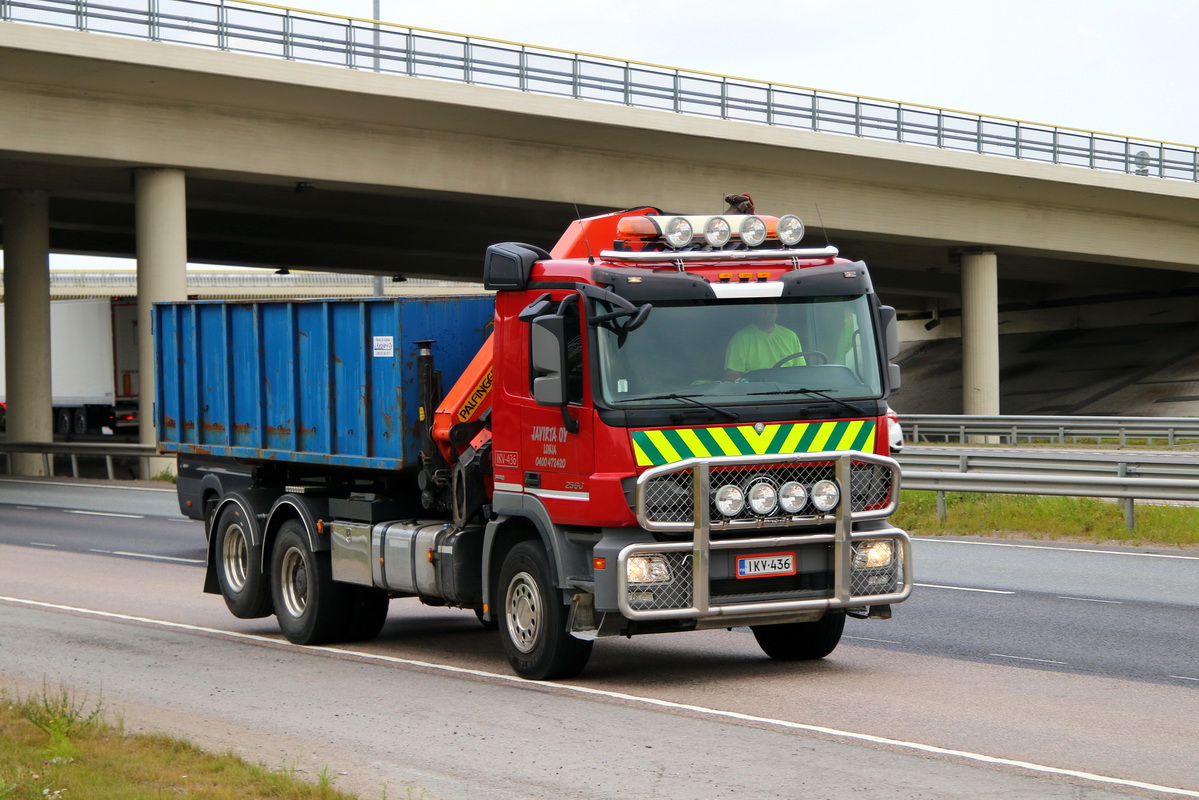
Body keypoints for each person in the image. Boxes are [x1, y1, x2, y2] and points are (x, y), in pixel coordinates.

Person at [724, 304, 804, 381]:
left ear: (777, 310)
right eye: (762, 308)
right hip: (756, 392)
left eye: (771, 308)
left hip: (788, 391)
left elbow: (801, 372)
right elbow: (731, 375)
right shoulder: (741, 338)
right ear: (754, 311)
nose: (767, 313)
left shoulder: (790, 336)